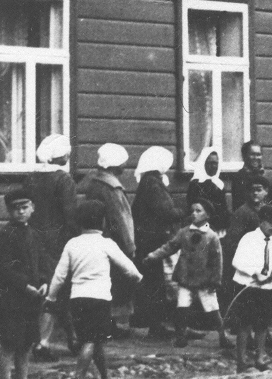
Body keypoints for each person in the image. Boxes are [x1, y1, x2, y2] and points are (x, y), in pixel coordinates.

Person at [48, 199, 145, 379]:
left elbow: (60, 275)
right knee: (91, 340)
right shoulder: (106, 243)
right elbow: (128, 268)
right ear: (103, 222)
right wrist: (138, 278)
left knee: (96, 341)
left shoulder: (72, 244)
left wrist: (51, 296)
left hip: (77, 299)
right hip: (99, 298)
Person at [144, 198, 230, 349]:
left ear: (207, 215)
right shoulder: (183, 232)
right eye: (192, 211)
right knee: (182, 307)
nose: (194, 214)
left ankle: (223, 336)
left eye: (199, 211)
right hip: (185, 277)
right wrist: (153, 256)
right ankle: (181, 336)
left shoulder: (211, 236)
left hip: (205, 280)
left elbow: (218, 261)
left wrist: (216, 280)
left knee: (212, 308)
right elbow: (170, 247)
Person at [0, 189, 50, 379]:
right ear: (8, 211)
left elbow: (42, 262)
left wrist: (43, 282)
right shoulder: (6, 235)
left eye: (25, 207)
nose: (21, 212)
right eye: (16, 209)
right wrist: (24, 285)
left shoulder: (34, 234)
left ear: (32, 208)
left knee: (26, 344)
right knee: (9, 344)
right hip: (11, 300)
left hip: (30, 300)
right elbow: (3, 269)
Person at [25, 134, 79, 359]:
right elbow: (71, 215)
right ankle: (43, 343)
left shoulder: (31, 178)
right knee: (56, 289)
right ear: (63, 156)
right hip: (58, 240)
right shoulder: (64, 180)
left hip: (33, 239)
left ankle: (72, 337)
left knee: (47, 286)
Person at [77, 143, 135, 336]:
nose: (125, 167)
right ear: (114, 165)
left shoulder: (93, 183)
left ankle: (105, 324)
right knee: (113, 285)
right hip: (111, 241)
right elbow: (120, 218)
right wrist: (128, 245)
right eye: (122, 163)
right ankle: (109, 326)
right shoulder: (111, 188)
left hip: (94, 238)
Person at [230, 204, 272, 371]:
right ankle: (241, 361)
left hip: (265, 288)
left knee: (262, 324)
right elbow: (237, 261)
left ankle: (260, 358)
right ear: (261, 221)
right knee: (244, 324)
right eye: (270, 222)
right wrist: (254, 273)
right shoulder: (249, 239)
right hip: (247, 287)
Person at [132, 146, 182, 337]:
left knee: (154, 283)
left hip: (147, 239)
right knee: (156, 284)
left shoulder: (147, 182)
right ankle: (156, 327)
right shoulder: (153, 184)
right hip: (153, 240)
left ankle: (157, 324)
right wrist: (181, 212)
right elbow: (165, 212)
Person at [186, 146, 229, 235]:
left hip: (218, 228)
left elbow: (223, 208)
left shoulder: (219, 184)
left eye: (216, 163)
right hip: (200, 228)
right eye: (210, 163)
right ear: (203, 163)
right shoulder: (196, 183)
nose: (214, 166)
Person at [228, 142, 272, 216]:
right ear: (245, 156)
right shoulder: (239, 177)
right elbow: (239, 204)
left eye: (258, 155)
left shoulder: (264, 176)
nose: (256, 158)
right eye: (252, 154)